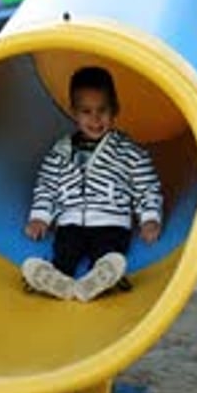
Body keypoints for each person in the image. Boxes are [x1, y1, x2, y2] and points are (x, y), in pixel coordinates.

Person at [22, 66, 163, 302]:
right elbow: (47, 186)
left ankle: (106, 276)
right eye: (86, 111)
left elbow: (146, 186)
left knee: (109, 253)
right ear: (74, 113)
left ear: (115, 109)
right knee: (65, 251)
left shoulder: (128, 152)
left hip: (111, 221)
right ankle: (58, 280)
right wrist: (40, 217)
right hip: (70, 222)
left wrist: (149, 218)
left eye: (102, 110)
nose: (95, 119)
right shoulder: (60, 152)